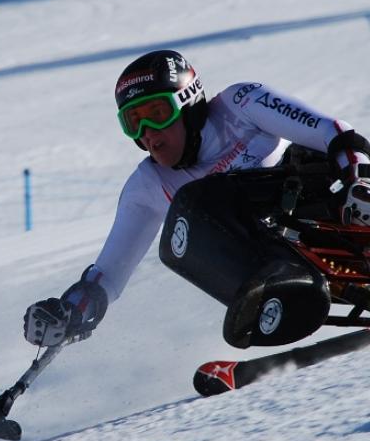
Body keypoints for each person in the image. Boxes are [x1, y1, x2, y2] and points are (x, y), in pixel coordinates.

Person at [24, 49, 370, 351]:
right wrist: (71, 313)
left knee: (204, 198)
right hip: (276, 259)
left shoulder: (241, 103)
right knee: (187, 220)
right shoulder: (147, 185)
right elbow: (107, 276)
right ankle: (277, 296)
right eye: (134, 123)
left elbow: (334, 132)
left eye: (157, 114)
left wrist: (357, 178)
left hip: (329, 207)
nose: (148, 133)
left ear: (188, 102)